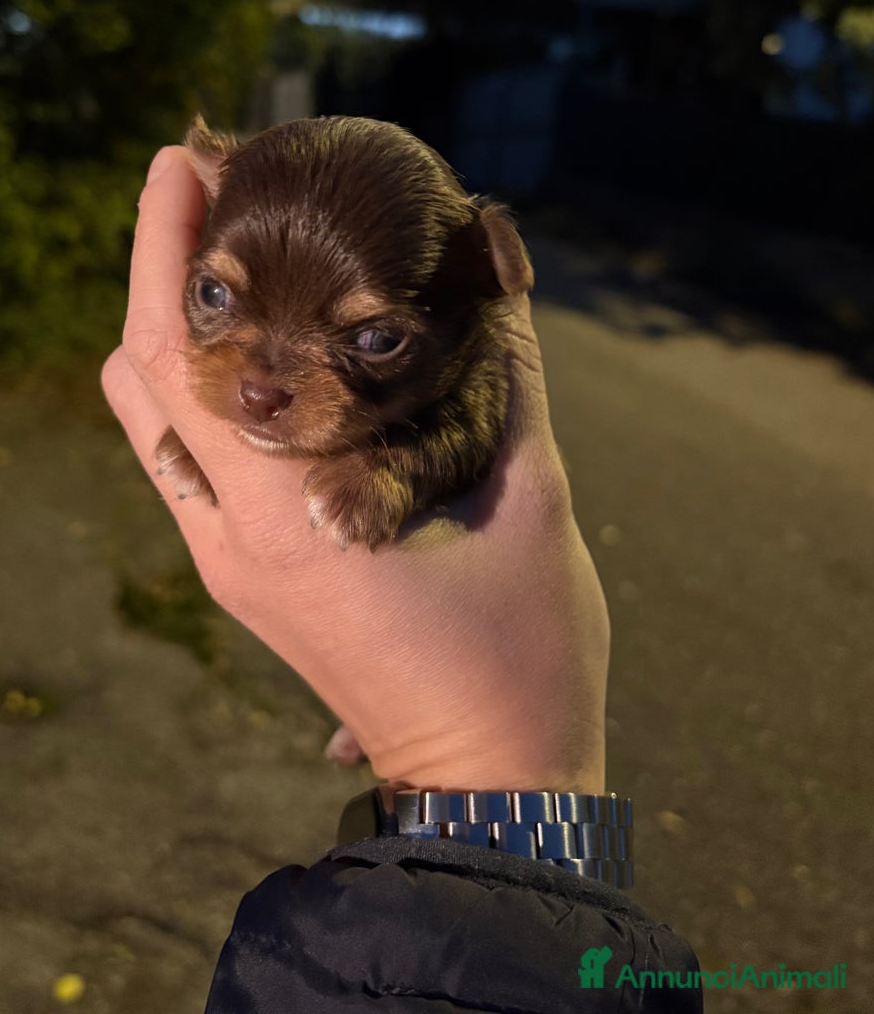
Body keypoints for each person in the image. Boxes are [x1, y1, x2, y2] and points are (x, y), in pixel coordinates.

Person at [101, 145, 702, 1012]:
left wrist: (392, 475)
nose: (265, 380)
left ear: (488, 284)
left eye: (377, 338)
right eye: (215, 294)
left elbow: (466, 434)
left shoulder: (471, 366)